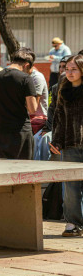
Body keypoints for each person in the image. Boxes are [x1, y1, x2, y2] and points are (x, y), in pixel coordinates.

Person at [51, 54, 83, 237]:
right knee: (70, 188)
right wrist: (56, 140)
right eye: (67, 69)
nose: (69, 72)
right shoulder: (62, 89)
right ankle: (73, 223)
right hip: (69, 145)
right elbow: (59, 119)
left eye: (74, 69)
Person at [0, 49, 37, 159]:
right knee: (23, 171)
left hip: (1, 132)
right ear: (27, 65)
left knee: (2, 170)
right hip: (21, 132)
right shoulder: (26, 79)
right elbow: (32, 109)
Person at [33, 56, 68, 161]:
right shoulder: (55, 88)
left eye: (65, 67)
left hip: (67, 129)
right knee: (35, 138)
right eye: (60, 67)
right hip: (53, 126)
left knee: (46, 139)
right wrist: (48, 128)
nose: (62, 69)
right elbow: (52, 109)